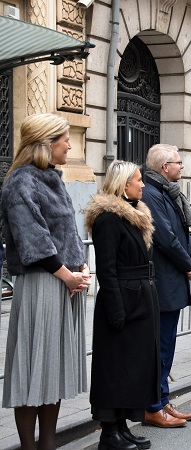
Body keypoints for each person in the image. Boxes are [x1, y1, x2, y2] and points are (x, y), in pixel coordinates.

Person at [1, 113, 91, 449]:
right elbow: (33, 241)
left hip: (62, 282)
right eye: (65, 138)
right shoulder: (21, 182)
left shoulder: (52, 178)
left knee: (52, 369)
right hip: (42, 284)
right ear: (45, 142)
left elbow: (65, 231)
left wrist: (79, 267)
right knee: (32, 370)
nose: (70, 144)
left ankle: (48, 445)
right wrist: (69, 276)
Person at [85, 160, 160, 450]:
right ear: (123, 183)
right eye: (138, 180)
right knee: (115, 368)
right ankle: (109, 433)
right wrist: (116, 310)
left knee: (131, 368)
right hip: (121, 302)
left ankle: (122, 427)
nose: (143, 184)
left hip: (140, 298)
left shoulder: (134, 215)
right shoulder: (108, 219)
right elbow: (106, 269)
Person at [141, 144, 191, 427]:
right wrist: (187, 264)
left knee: (167, 346)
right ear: (165, 167)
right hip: (163, 282)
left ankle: (163, 401)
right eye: (179, 162)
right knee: (160, 347)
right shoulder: (152, 194)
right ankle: (153, 406)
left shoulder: (170, 192)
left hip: (172, 281)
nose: (182, 167)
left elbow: (185, 233)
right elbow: (165, 238)